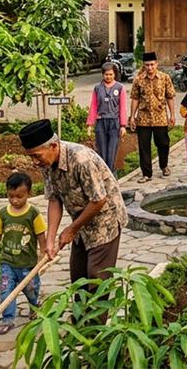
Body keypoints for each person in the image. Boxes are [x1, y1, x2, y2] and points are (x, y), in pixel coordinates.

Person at [22, 119, 127, 291]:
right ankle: (80, 318)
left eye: (36, 155)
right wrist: (50, 240)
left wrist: (71, 229)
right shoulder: (46, 163)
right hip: (81, 223)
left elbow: (99, 200)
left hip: (105, 220)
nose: (34, 161)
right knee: (78, 278)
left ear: (53, 146)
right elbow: (54, 199)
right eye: (30, 156)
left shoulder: (81, 159)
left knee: (96, 278)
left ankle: (94, 318)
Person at [0, 171, 49, 334]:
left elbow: (40, 233)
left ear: (29, 193)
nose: (15, 200)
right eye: (11, 196)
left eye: (19, 196)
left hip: (28, 263)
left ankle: (35, 306)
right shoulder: (3, 214)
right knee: (6, 290)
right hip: (8, 262)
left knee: (31, 290)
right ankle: (7, 319)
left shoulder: (33, 213)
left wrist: (44, 251)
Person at [129, 51, 176, 181]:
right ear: (144, 65)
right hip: (143, 118)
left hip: (160, 117)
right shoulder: (138, 80)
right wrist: (132, 116)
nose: (149, 68)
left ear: (156, 64)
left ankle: (164, 165)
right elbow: (135, 98)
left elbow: (170, 97)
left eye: (152, 65)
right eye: (147, 65)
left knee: (163, 143)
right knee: (144, 146)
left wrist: (172, 115)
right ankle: (146, 173)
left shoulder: (165, 78)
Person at [86, 62, 128, 172]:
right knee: (102, 152)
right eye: (106, 74)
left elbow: (122, 107)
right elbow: (94, 106)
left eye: (111, 74)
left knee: (111, 151)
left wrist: (123, 125)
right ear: (102, 75)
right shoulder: (97, 88)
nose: (108, 77)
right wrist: (90, 124)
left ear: (115, 74)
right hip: (101, 123)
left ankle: (111, 174)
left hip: (114, 123)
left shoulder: (120, 88)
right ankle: (102, 174)